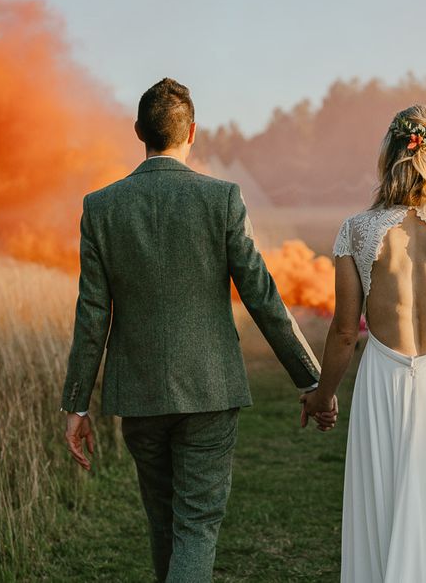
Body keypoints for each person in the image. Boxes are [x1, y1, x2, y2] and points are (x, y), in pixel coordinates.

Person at [59, 78, 337, 583]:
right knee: (197, 526)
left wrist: (77, 404)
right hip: (210, 389)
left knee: (165, 523)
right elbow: (262, 296)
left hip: (140, 393)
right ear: (193, 132)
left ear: (139, 131)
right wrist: (312, 380)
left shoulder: (100, 207)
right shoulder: (222, 199)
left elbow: (92, 312)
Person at [302, 104, 426, 582]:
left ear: (390, 154)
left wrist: (324, 394)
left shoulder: (356, 230)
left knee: (384, 508)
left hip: (383, 385)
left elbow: (345, 331)